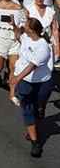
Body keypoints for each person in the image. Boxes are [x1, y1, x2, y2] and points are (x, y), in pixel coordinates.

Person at [11, 17, 54, 158]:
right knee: (27, 109)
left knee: (38, 108)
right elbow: (19, 37)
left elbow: (32, 66)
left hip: (42, 82)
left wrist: (17, 78)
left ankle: (38, 116)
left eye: (26, 25)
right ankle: (35, 143)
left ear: (32, 29)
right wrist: (13, 26)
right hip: (26, 82)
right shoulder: (26, 36)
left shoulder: (43, 47)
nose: (24, 26)